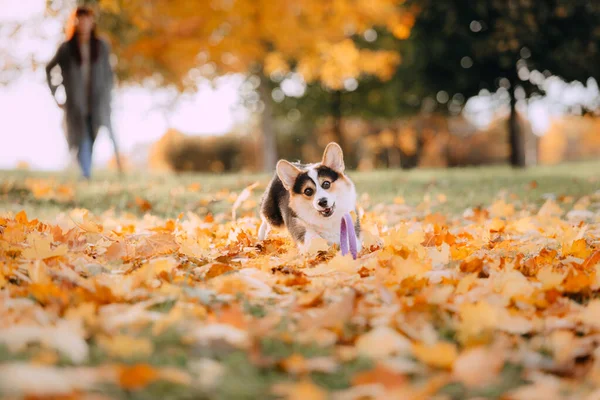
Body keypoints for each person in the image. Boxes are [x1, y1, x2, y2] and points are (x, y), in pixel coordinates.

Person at [45, 6, 122, 179]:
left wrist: (108, 93)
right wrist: (56, 93)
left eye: (87, 19)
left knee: (93, 135)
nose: (84, 23)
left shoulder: (101, 46)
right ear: (75, 22)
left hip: (97, 101)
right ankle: (85, 173)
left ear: (92, 22)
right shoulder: (67, 48)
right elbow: (50, 68)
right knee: (81, 137)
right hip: (76, 102)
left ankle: (95, 169)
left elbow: (109, 72)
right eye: (80, 19)